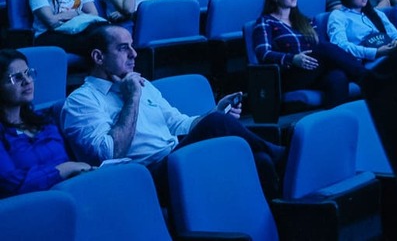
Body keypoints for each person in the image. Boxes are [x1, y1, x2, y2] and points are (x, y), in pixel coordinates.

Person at [63, 25, 283, 197]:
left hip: (175, 156)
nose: (134, 54)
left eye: (132, 46)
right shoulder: (81, 101)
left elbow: (178, 123)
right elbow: (109, 154)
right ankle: (283, 157)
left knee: (260, 160)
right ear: (98, 57)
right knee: (217, 124)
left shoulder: (143, 84)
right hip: (143, 177)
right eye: (123, 48)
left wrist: (215, 111)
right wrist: (132, 98)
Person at [251, 0, 363, 108]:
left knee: (338, 77)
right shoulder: (266, 21)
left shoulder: (306, 20)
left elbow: (319, 49)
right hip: (289, 74)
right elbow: (263, 54)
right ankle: (364, 75)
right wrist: (292, 59)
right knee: (325, 48)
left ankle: (332, 123)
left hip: (314, 70)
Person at [0, 48, 93, 196]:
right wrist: (64, 169)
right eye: (16, 78)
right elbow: (10, 184)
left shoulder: (44, 120)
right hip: (30, 208)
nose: (27, 81)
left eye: (28, 73)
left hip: (70, 194)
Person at [327, 0, 397, 62]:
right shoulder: (338, 15)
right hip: (363, 61)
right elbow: (340, 45)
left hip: (388, 54)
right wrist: (375, 52)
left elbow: (395, 34)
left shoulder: (375, 12)